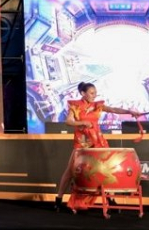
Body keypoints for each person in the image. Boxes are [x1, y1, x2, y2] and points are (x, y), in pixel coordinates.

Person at [54, 82, 141, 211]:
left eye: (95, 93)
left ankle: (110, 199)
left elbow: (113, 110)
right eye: (91, 93)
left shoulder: (97, 106)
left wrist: (130, 112)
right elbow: (69, 121)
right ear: (83, 93)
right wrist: (82, 122)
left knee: (107, 169)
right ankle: (58, 200)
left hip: (98, 140)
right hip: (83, 141)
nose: (94, 95)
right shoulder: (75, 106)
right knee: (70, 171)